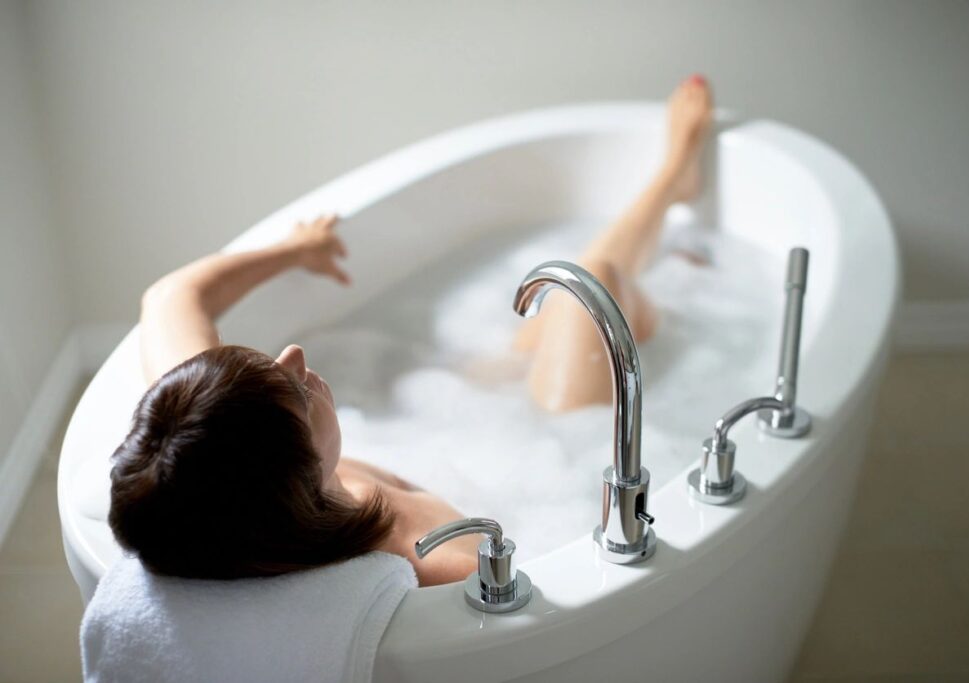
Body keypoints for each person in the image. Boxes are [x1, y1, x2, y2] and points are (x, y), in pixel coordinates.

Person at [108, 75, 713, 586]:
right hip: (559, 444)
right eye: (292, 391)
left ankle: (659, 245)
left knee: (568, 301)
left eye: (266, 365)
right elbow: (563, 598)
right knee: (591, 284)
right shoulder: (425, 554)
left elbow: (170, 297)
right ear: (294, 482)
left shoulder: (203, 446)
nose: (293, 357)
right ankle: (670, 187)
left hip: (484, 416)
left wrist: (298, 250)